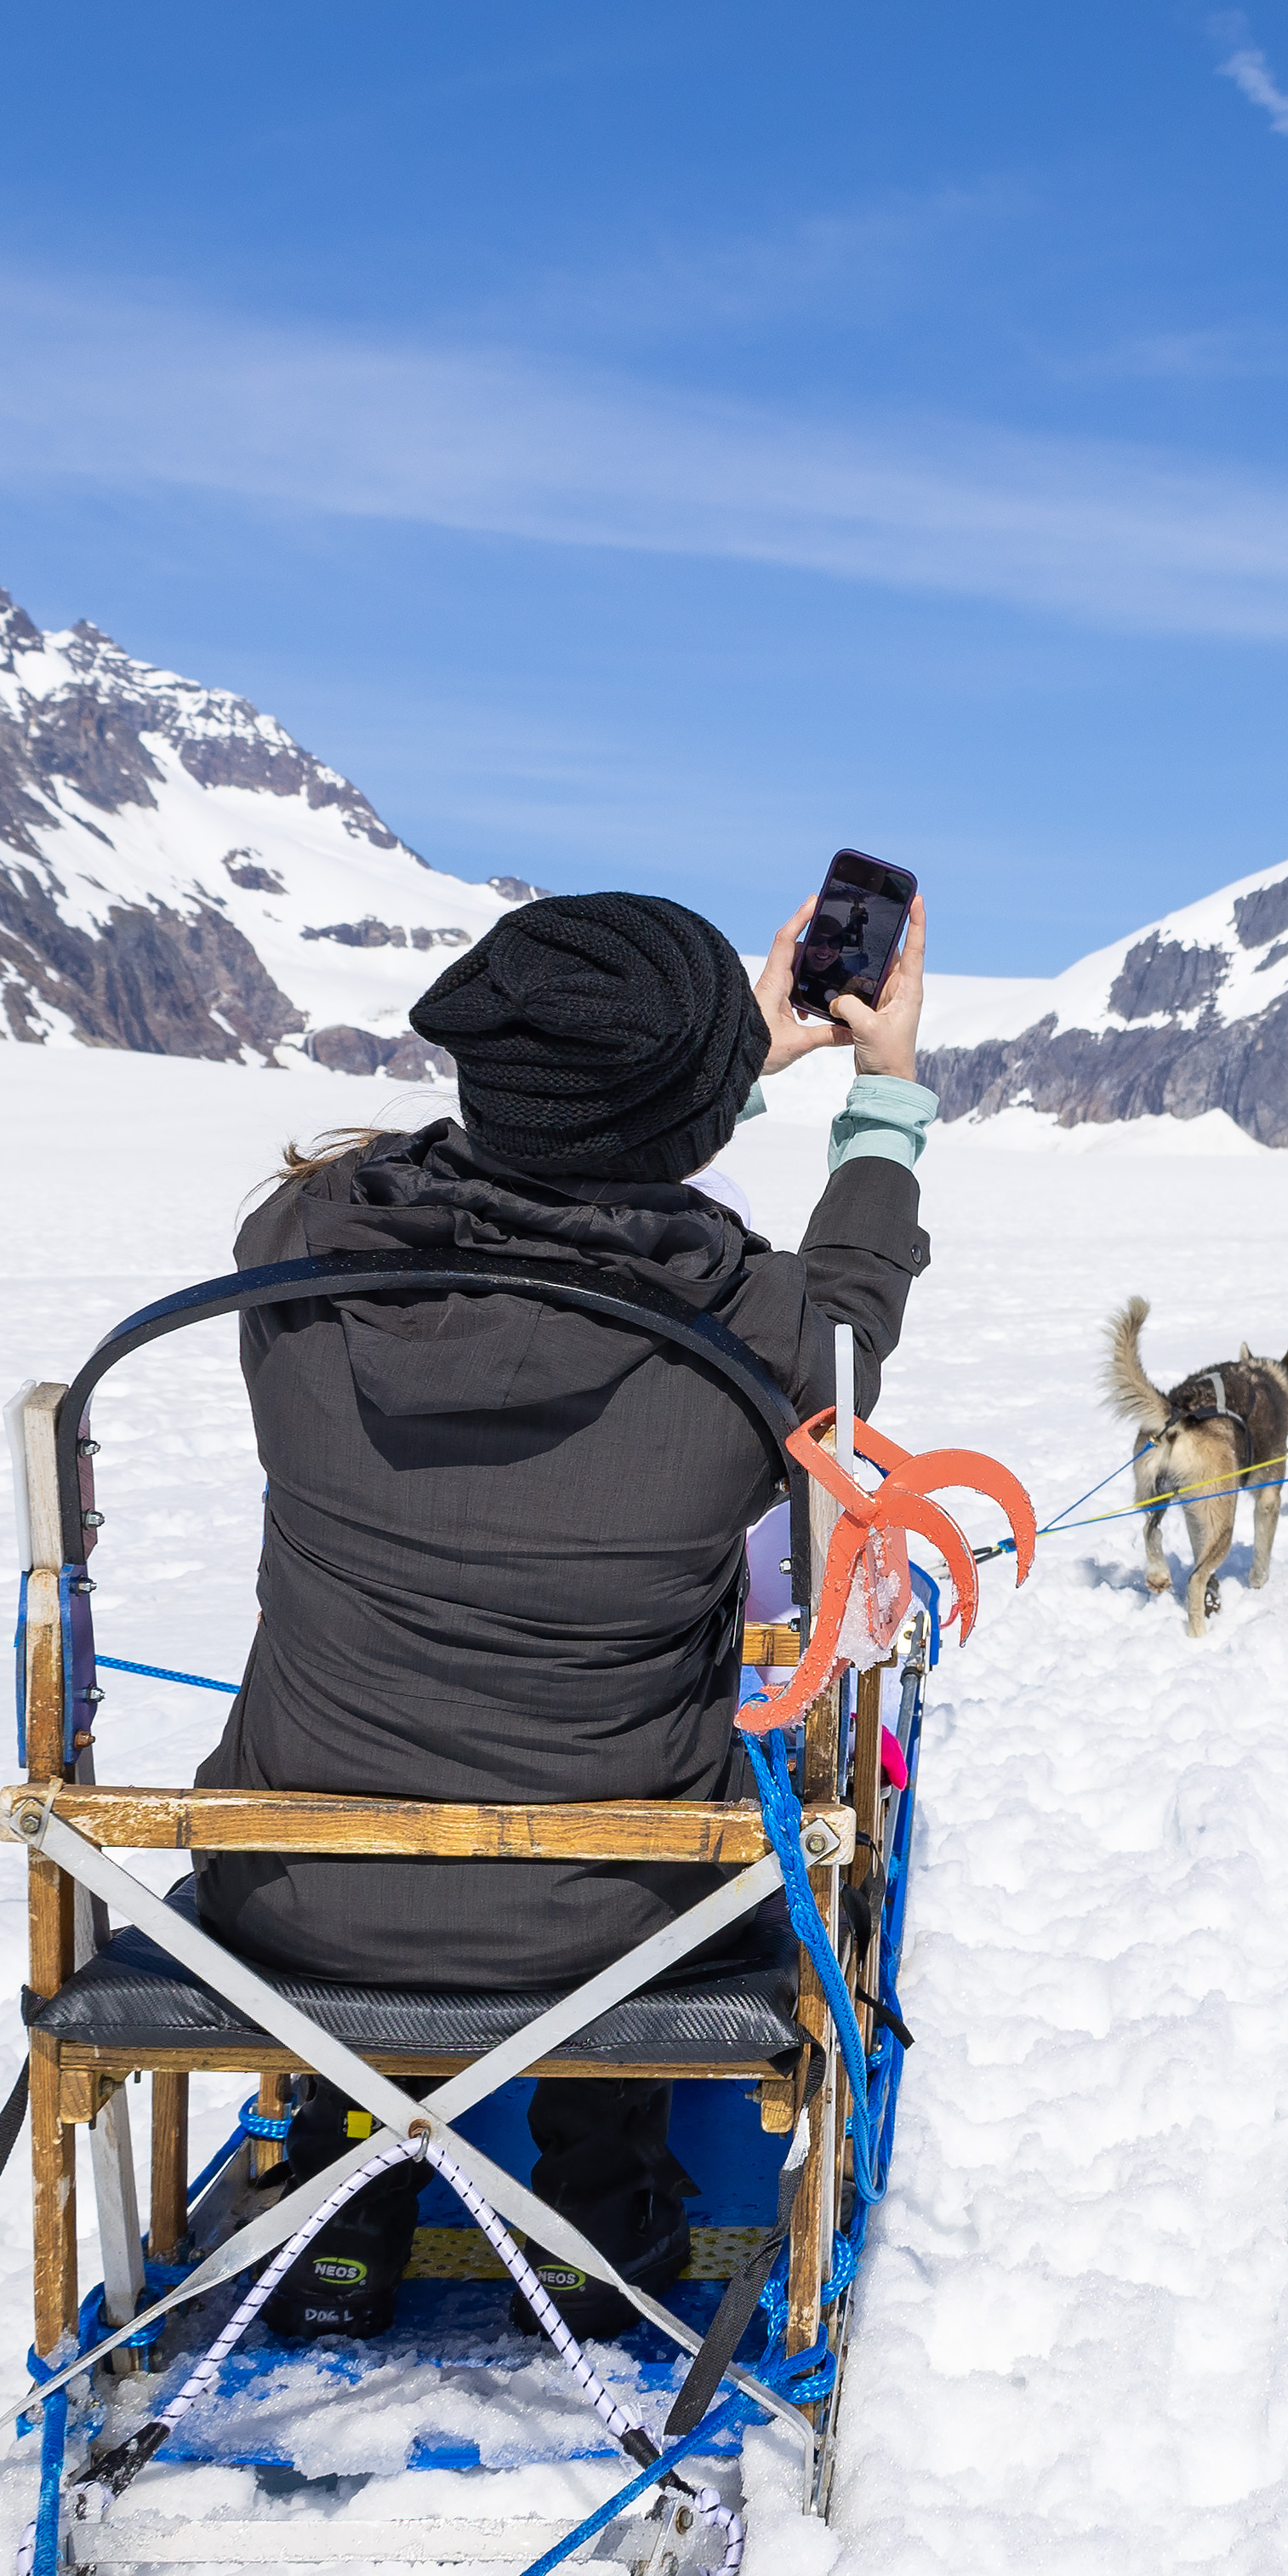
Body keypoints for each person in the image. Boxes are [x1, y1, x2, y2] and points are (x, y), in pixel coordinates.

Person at [194, 885, 937, 2339]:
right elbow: (852, 1306)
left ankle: (349, 2205)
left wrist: (682, 1087)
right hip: (618, 1922)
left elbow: (448, 1175)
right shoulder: (757, 1336)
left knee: (407, 1775)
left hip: (296, 1897)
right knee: (627, 1815)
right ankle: (605, 2215)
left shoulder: (296, 1251)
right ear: (683, 1120)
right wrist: (877, 1093)